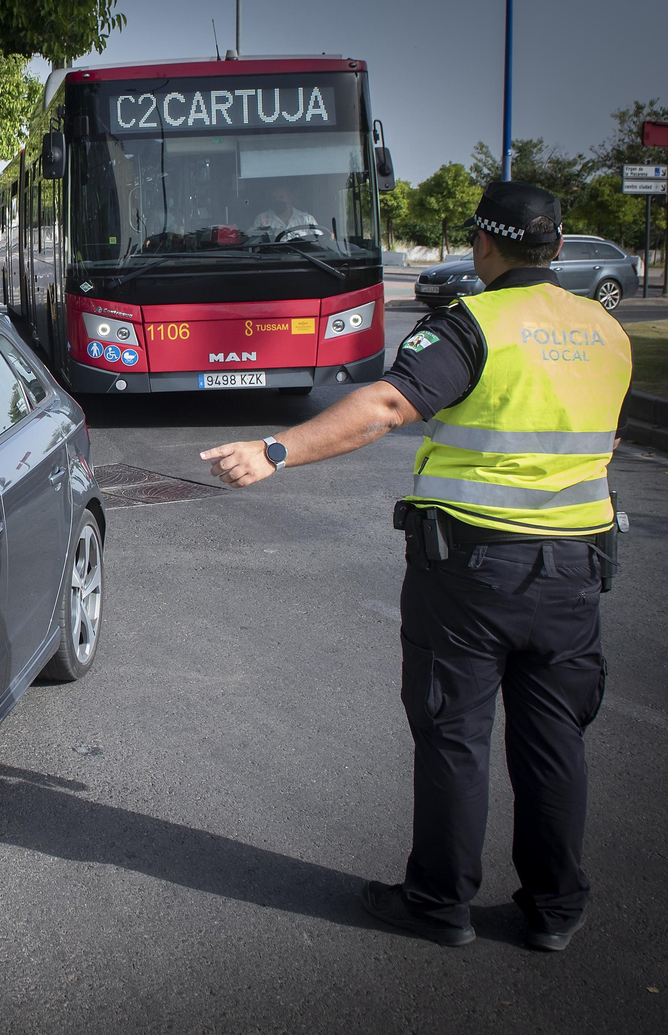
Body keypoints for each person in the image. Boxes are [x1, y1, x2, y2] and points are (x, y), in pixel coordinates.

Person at [200, 182, 631, 952]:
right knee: (556, 740)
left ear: (484, 245)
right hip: (575, 574)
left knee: (455, 735)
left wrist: (275, 451)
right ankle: (555, 908)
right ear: (559, 247)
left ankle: (439, 901)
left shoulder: (473, 326)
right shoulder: (607, 330)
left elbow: (388, 406)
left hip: (473, 574)